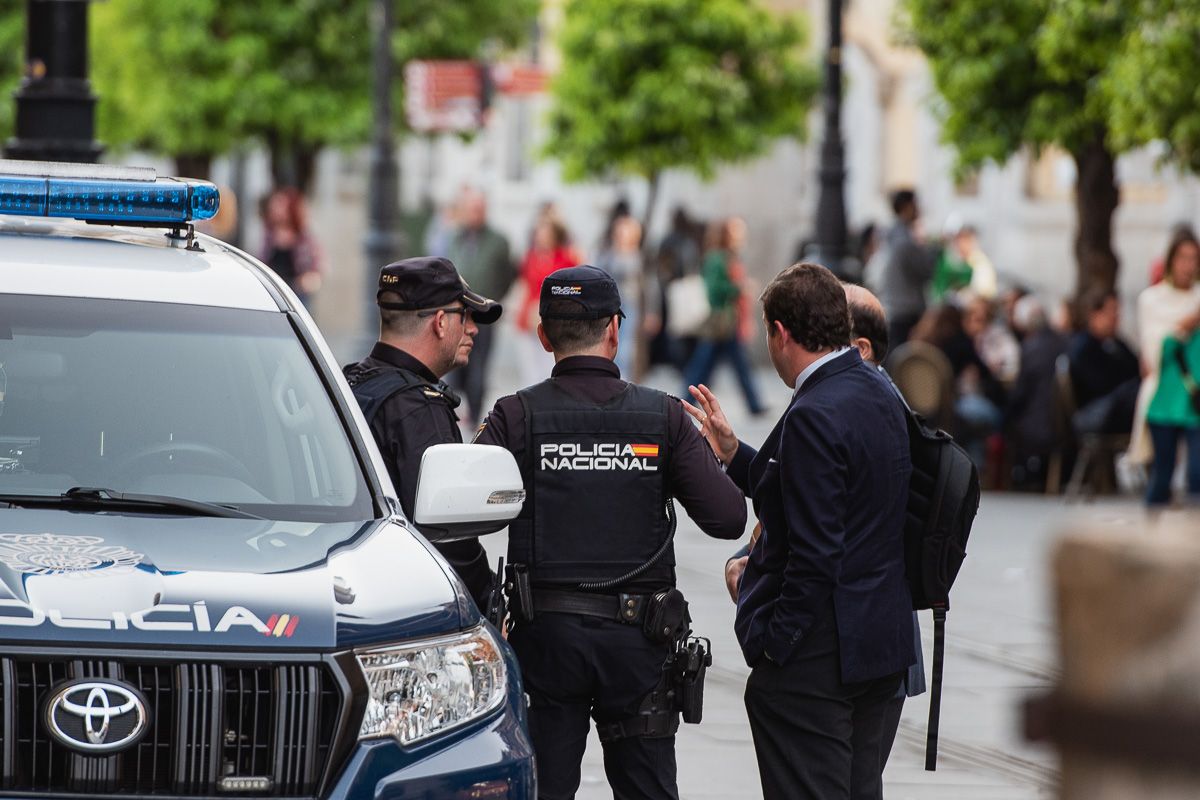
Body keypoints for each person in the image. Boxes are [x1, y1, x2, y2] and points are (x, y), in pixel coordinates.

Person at [474, 265, 747, 800]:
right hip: (639, 646)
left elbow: (461, 511)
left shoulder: (514, 416)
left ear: (545, 335)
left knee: (544, 788)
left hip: (546, 643)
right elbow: (728, 519)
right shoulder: (664, 418)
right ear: (615, 331)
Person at [688, 263, 914, 800]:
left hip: (821, 658)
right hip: (880, 645)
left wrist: (773, 643)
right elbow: (806, 492)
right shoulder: (876, 390)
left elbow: (816, 555)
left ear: (779, 332)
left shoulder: (816, 410)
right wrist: (733, 452)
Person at [343, 256, 502, 608]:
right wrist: (488, 600)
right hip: (404, 604)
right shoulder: (420, 409)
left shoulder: (345, 383)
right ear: (442, 322)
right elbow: (450, 538)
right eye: (467, 316)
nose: (473, 329)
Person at [681, 217, 767, 415]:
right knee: (706, 365)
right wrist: (740, 288)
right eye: (737, 231)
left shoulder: (729, 257)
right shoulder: (716, 259)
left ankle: (754, 404)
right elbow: (714, 290)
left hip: (728, 322)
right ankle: (753, 404)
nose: (741, 236)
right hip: (720, 322)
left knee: (718, 365)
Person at [1131, 232, 1200, 467]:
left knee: (1195, 473)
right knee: (1162, 469)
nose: (1188, 265)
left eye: (1194, 258)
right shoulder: (1152, 300)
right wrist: (1185, 325)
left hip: (1195, 395)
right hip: (1165, 394)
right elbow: (1152, 354)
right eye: (1183, 258)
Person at [446, 188, 515, 422]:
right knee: (454, 364)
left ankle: (474, 414)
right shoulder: (454, 238)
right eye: (472, 209)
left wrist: (495, 298)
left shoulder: (498, 241)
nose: (476, 213)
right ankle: (452, 409)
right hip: (457, 313)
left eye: (480, 209)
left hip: (484, 314)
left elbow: (508, 275)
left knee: (479, 367)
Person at [1005, 295, 1068, 490]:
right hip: (1063, 421)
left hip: (1036, 426)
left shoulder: (1030, 348)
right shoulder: (1062, 342)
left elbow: (1020, 394)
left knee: (1005, 416)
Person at [869, 189, 940, 350]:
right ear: (907, 207)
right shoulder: (905, 241)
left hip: (893, 306)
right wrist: (933, 250)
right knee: (903, 360)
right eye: (915, 204)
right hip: (906, 310)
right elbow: (926, 270)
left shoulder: (889, 235)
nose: (919, 209)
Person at [1067, 288, 1140, 436]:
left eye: (1117, 311)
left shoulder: (1116, 343)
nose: (1115, 317)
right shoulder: (1083, 347)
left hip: (1114, 408)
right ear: (1095, 315)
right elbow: (1101, 384)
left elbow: (1135, 369)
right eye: (1110, 311)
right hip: (1093, 413)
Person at [517, 216, 579, 387]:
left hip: (553, 316)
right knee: (529, 368)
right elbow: (524, 285)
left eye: (545, 233)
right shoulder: (530, 257)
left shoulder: (565, 258)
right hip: (529, 316)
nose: (540, 237)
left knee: (549, 364)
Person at [1144, 324, 1200, 507]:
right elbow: (1150, 361)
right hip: (1165, 407)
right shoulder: (1168, 321)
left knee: (1197, 474)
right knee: (1162, 476)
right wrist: (1181, 327)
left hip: (1194, 410)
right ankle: (1150, 530)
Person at [259, 186, 323, 306]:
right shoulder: (269, 234)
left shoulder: (304, 236)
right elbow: (260, 260)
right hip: (272, 291)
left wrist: (307, 280)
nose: (275, 208)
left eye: (280, 204)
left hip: (296, 294)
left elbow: (317, 265)